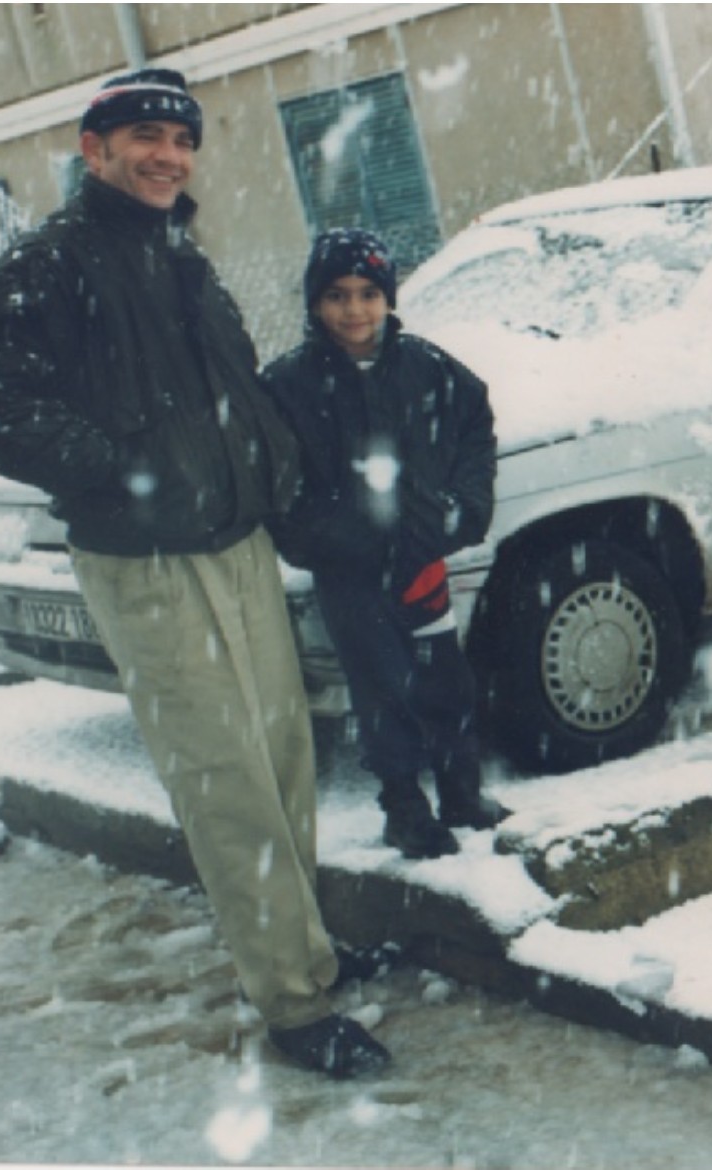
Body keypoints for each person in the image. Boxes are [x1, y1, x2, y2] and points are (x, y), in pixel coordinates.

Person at [0, 70, 391, 1081]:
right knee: (227, 784)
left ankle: (307, 946)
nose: (166, 154)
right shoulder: (48, 265)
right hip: (151, 563)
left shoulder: (179, 256)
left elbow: (233, 385)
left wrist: (277, 467)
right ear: (93, 149)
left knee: (283, 760)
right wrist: (122, 470)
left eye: (180, 138)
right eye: (143, 137)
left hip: (237, 545)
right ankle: (293, 1003)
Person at [262, 228, 510, 860]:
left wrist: (463, 507)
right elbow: (272, 479)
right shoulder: (289, 385)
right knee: (382, 688)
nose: (354, 310)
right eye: (337, 295)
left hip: (420, 559)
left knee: (443, 680)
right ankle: (404, 808)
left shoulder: (425, 367)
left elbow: (475, 426)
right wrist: (317, 536)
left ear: (388, 297)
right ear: (316, 303)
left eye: (369, 293)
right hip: (348, 572)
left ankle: (461, 792)